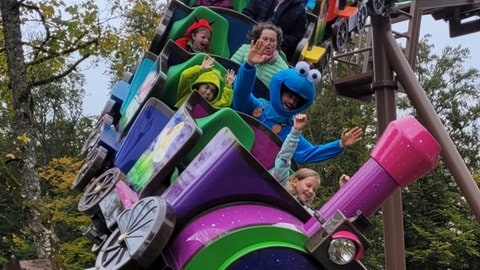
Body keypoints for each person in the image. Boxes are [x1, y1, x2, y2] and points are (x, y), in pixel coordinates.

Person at [233, 39, 363, 164]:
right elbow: (241, 93)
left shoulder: (291, 132)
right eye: (289, 96)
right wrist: (249, 66)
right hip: (229, 156)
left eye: (296, 100)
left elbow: (307, 153)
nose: (291, 101)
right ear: (280, 90)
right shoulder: (256, 107)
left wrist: (340, 144)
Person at [270, 113, 350, 210]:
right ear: (295, 182)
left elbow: (326, 216)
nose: (311, 191)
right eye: (308, 185)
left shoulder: (305, 210)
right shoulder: (280, 184)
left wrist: (343, 191)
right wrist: (295, 131)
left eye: (314, 190)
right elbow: (284, 156)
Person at [242, 0, 306, 61]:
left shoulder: (299, 10)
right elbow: (246, 14)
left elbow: (296, 38)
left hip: (276, 51)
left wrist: (275, 39)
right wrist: (257, 33)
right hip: (249, 40)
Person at [231, 22, 288, 88]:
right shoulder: (244, 49)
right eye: (265, 39)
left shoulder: (284, 68)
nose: (268, 43)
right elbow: (229, 71)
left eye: (272, 40)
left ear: (277, 43)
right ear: (257, 39)